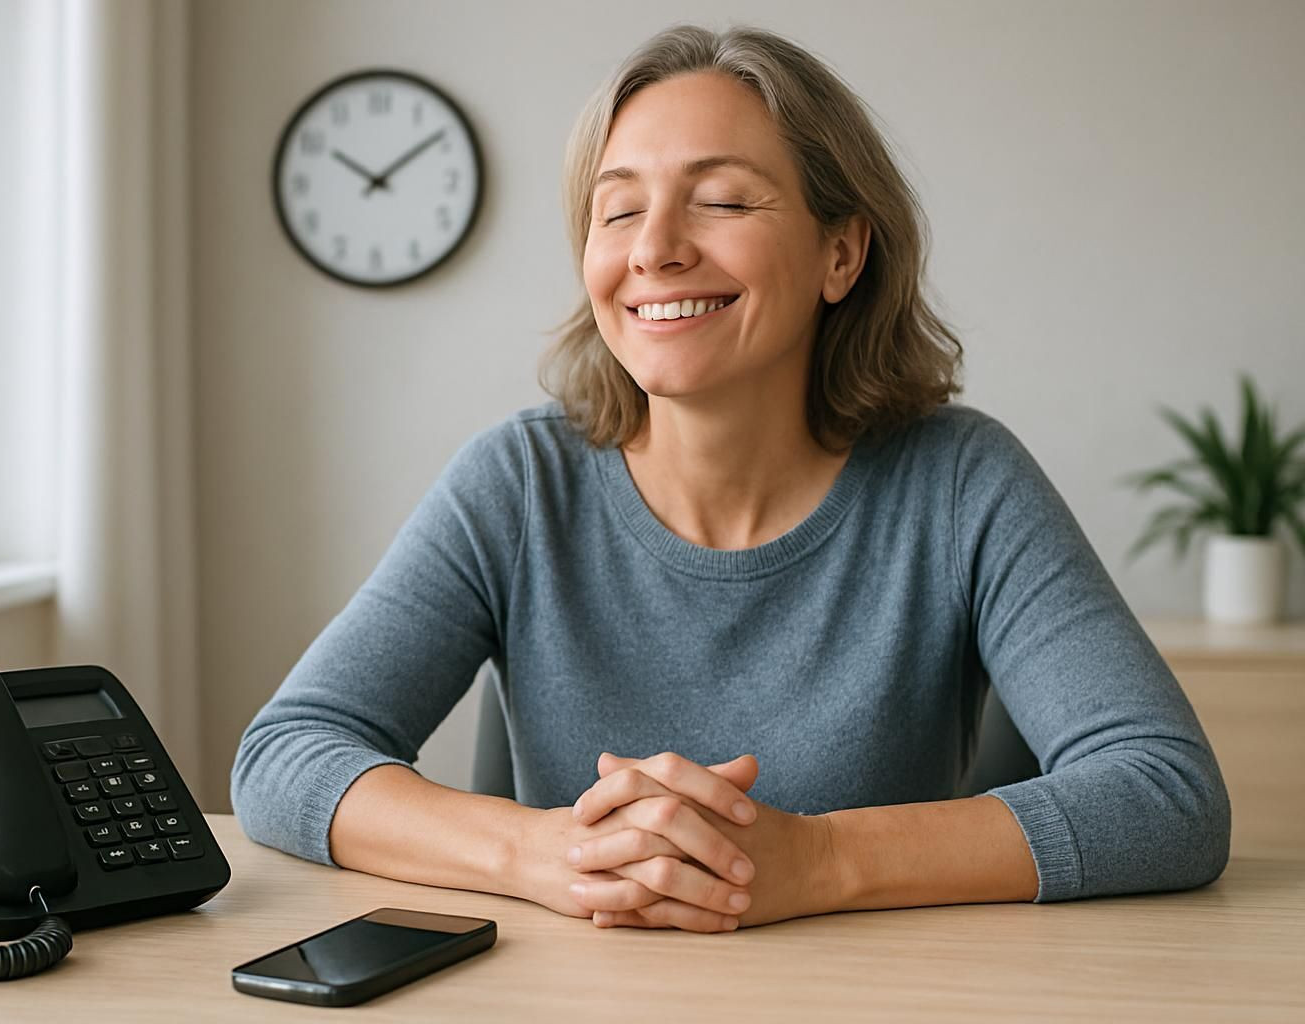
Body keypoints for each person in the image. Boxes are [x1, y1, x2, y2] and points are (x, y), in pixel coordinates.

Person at [231, 24, 1229, 933]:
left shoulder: (963, 482)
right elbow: (286, 756)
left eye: (719, 201)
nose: (656, 250)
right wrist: (545, 850)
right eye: (617, 210)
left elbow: (1166, 794)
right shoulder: (517, 482)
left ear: (841, 251)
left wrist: (821, 859)